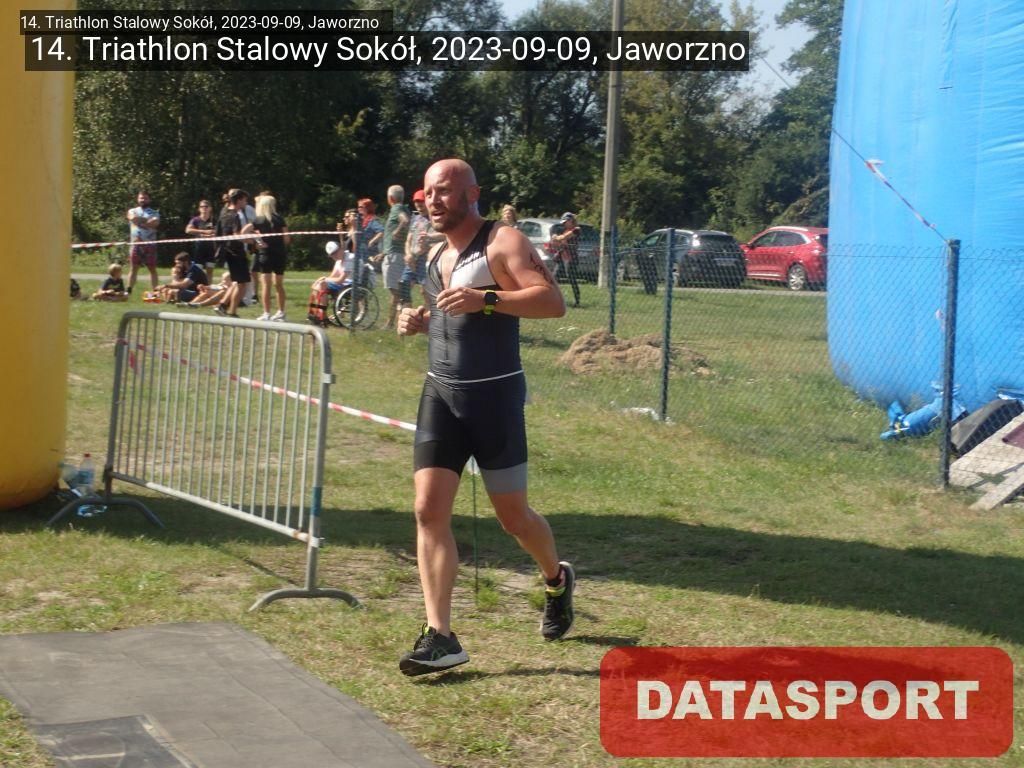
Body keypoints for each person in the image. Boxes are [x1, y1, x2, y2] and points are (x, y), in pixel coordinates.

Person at [396, 158, 574, 677]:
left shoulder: (504, 242)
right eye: (428, 193)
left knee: (514, 519)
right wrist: (420, 320)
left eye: (445, 190)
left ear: (472, 193)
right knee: (428, 510)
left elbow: (552, 302)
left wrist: (486, 298)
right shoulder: (435, 254)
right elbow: (449, 313)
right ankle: (440, 636)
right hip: (440, 395)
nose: (434, 201)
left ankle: (556, 579)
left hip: (494, 398)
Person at [246, 194, 290, 321]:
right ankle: (281, 312)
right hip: (280, 254)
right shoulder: (280, 219)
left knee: (266, 284)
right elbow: (287, 239)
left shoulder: (259, 220)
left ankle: (266, 313)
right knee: (279, 284)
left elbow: (243, 232)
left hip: (265, 254)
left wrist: (256, 242)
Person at [401, 189, 445, 308]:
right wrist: (408, 254)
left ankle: (429, 313)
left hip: (427, 259)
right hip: (412, 259)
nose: (418, 204)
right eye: (416, 202)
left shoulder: (435, 217)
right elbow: (408, 240)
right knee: (404, 285)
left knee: (425, 291)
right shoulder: (415, 218)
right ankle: (406, 312)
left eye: (421, 201)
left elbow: (446, 235)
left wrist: (429, 237)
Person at [213, 189, 252, 317]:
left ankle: (222, 305)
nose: (246, 203)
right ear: (239, 200)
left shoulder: (223, 212)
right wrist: (253, 240)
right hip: (236, 252)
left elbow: (218, 232)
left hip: (227, 251)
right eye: (245, 200)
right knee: (242, 284)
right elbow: (237, 235)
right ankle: (232, 311)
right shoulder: (236, 215)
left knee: (236, 281)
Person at [381, 185, 410, 329]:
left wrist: (397, 231)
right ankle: (397, 320)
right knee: (397, 290)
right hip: (397, 254)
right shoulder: (405, 208)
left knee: (395, 291)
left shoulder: (396, 209)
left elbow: (404, 220)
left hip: (394, 256)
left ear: (390, 198)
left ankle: (391, 322)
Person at [126, 189, 160, 295]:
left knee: (152, 268)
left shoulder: (154, 212)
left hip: (150, 244)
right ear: (137, 199)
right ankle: (128, 291)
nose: (143, 200)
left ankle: (155, 292)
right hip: (136, 244)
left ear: (149, 200)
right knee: (133, 268)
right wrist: (146, 221)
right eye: (141, 198)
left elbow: (155, 223)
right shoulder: (132, 211)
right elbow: (132, 218)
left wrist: (140, 221)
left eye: (145, 198)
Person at [550, 211, 581, 307]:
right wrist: (555, 237)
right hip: (561, 256)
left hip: (571, 258)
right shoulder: (564, 229)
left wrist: (557, 237)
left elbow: (563, 237)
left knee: (571, 278)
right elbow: (555, 239)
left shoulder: (576, 229)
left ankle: (577, 300)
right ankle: (553, 299)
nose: (563, 224)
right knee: (554, 277)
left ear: (570, 220)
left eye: (565, 222)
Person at [185, 200, 217, 282]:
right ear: (199, 209)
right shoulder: (195, 220)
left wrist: (213, 234)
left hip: (211, 248)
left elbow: (218, 232)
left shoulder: (214, 220)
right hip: (199, 248)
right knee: (197, 270)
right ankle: (197, 287)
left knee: (210, 270)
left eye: (206, 206)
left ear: (210, 208)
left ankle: (208, 287)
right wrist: (204, 232)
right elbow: (188, 230)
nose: (204, 208)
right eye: (201, 207)